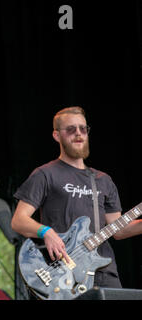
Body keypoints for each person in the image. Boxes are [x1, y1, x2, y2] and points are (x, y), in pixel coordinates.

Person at [11, 106, 142, 291]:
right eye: (71, 129)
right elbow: (18, 221)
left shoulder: (102, 180)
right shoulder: (45, 174)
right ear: (57, 136)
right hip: (64, 273)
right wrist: (46, 232)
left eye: (83, 128)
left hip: (104, 271)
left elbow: (118, 229)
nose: (79, 134)